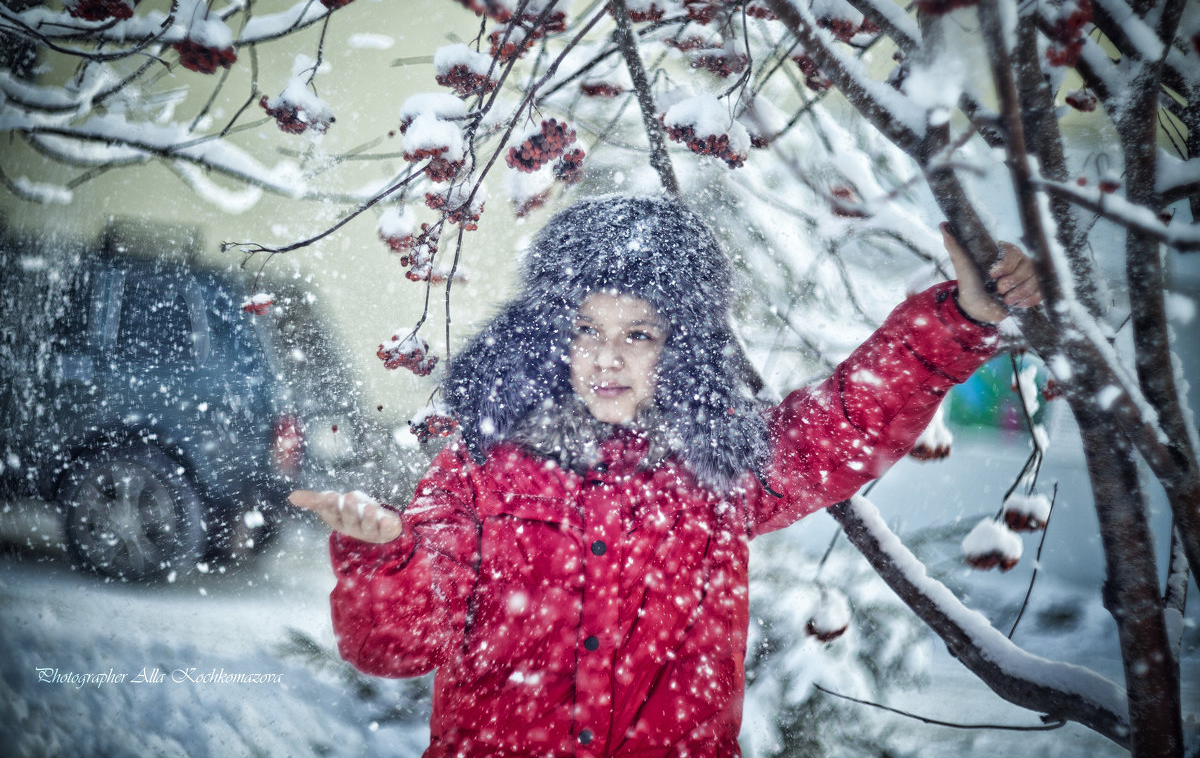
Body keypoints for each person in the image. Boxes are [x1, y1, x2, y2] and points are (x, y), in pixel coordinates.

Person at [290, 195, 1041, 757]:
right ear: (554, 335)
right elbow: (395, 648)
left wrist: (957, 321)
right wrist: (382, 556)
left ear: (676, 349)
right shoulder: (482, 473)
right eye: (586, 330)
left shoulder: (719, 473)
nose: (607, 357)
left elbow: (845, 420)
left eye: (637, 334)